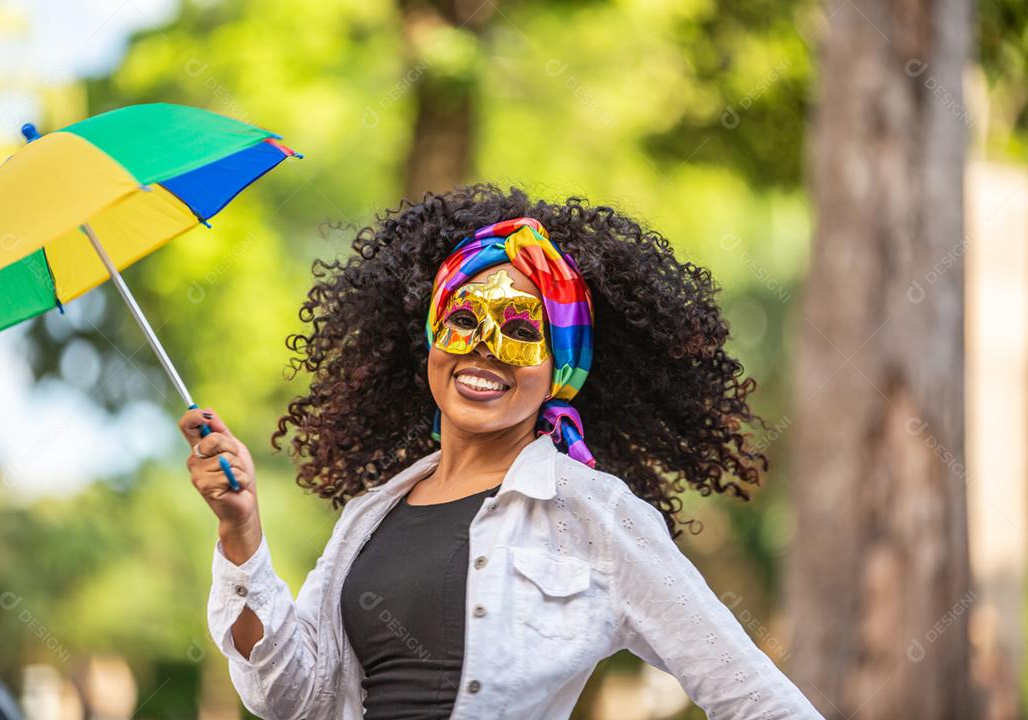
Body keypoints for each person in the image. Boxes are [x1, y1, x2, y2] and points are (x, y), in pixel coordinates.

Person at [179, 185, 822, 719]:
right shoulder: (369, 517)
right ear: (434, 334)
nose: (482, 349)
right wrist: (241, 530)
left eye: (519, 331)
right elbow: (288, 695)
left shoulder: (595, 514)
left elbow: (755, 698)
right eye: (462, 320)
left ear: (559, 367)